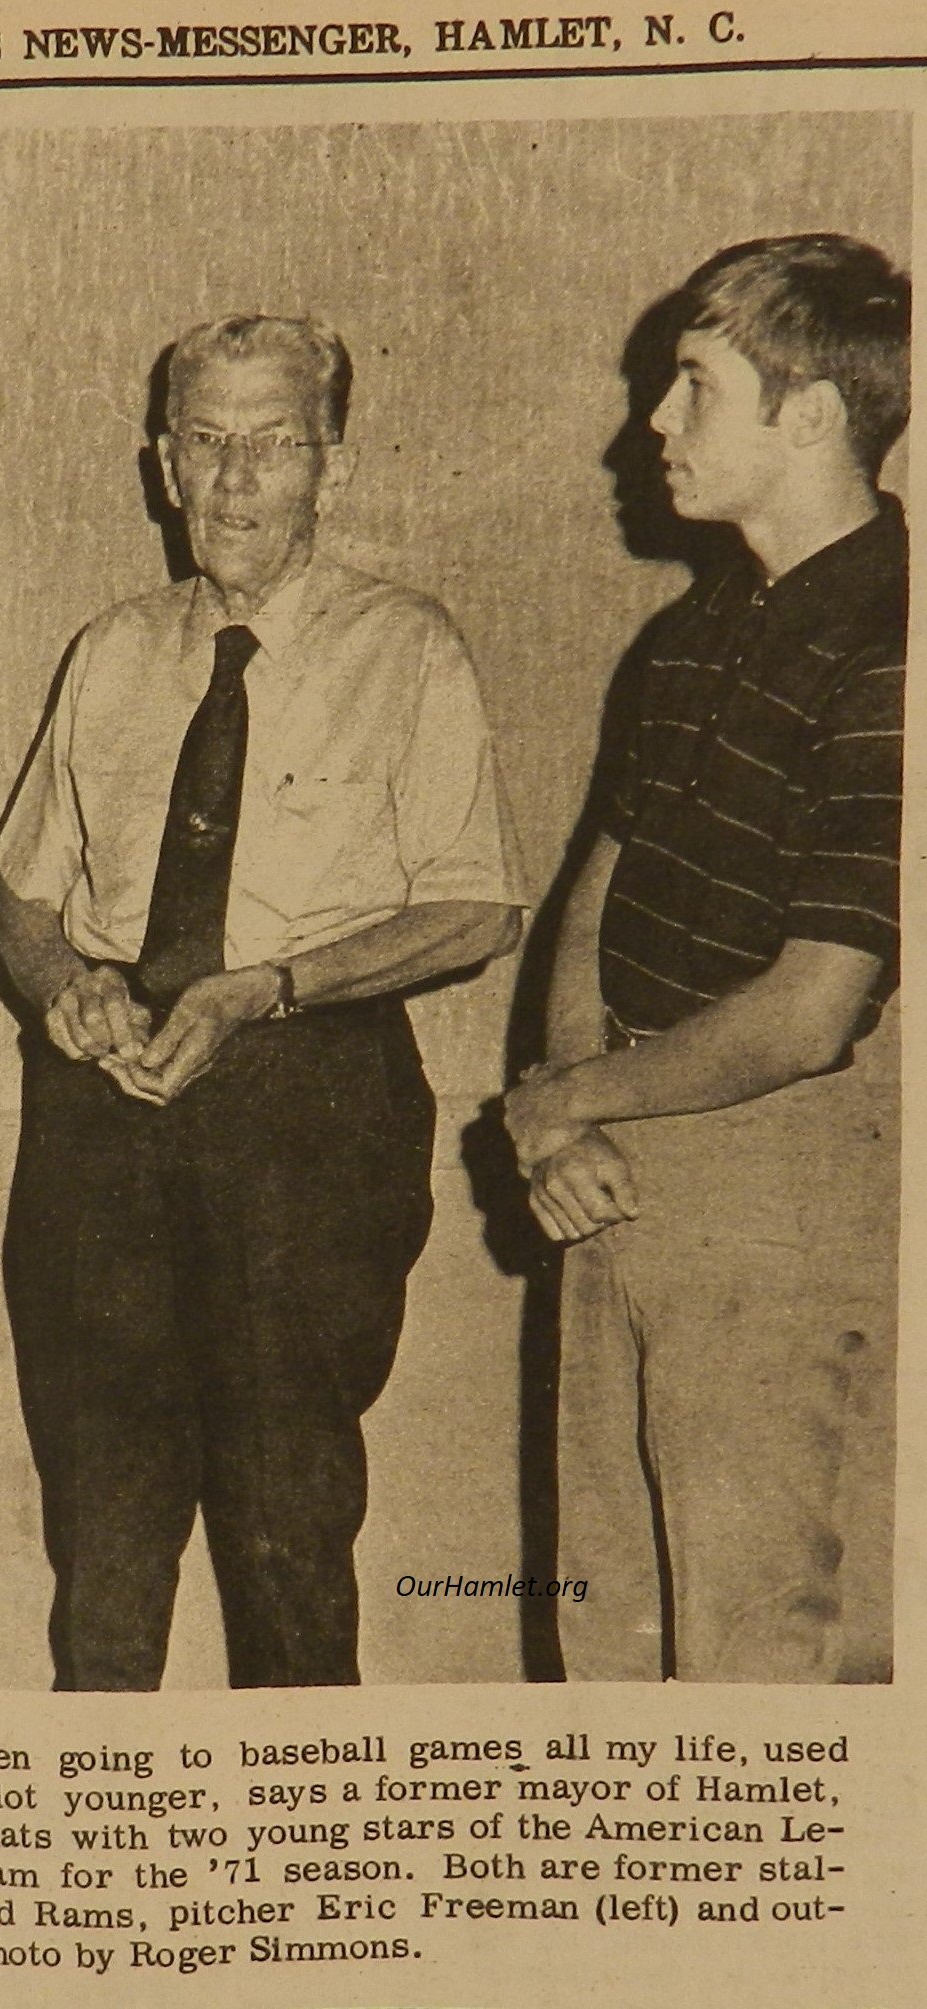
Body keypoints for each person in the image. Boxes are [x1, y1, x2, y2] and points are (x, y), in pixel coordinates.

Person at [0, 315, 524, 1690]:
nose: (236, 482)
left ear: (329, 466)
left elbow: (476, 905)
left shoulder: (409, 647)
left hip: (307, 1104)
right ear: (163, 466)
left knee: (285, 1536)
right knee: (103, 1554)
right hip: (99, 1125)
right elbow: (23, 900)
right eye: (206, 445)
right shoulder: (109, 648)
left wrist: (264, 989)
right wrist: (64, 989)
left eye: (273, 445)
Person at [504, 235, 908, 1682]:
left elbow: (813, 1010)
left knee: (754, 1662)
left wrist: (577, 1102)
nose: (653, 422)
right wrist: (563, 1101)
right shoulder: (692, 635)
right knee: (603, 1636)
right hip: (616, 1160)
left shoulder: (892, 638)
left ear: (810, 418)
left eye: (692, 385)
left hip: (777, 1182)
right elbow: (598, 887)